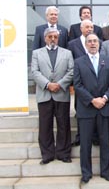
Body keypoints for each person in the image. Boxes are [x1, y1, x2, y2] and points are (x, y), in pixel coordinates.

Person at [73, 33, 109, 184]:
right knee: (85, 144)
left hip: (104, 108)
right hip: (86, 109)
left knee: (105, 142)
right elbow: (77, 85)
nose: (92, 44)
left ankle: (106, 172)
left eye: (95, 41)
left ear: (99, 44)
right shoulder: (78, 62)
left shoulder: (108, 61)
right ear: (85, 44)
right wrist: (92, 100)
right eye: (89, 41)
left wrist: (104, 98)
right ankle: (86, 173)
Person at [31, 27, 73, 165]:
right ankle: (47, 154)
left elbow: (71, 71)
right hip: (44, 94)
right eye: (50, 37)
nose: (53, 39)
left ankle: (63, 153)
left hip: (61, 94)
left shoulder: (67, 53)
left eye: (55, 36)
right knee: (45, 126)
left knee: (63, 125)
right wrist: (48, 84)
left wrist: (59, 84)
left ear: (58, 38)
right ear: (45, 38)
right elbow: (34, 72)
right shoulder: (37, 53)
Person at [67, 19, 99, 147]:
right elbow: (70, 63)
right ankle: (81, 136)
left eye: (91, 27)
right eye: (87, 27)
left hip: (96, 85)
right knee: (81, 112)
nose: (89, 29)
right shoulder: (72, 44)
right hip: (81, 84)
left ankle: (95, 136)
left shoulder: (98, 43)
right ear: (81, 28)